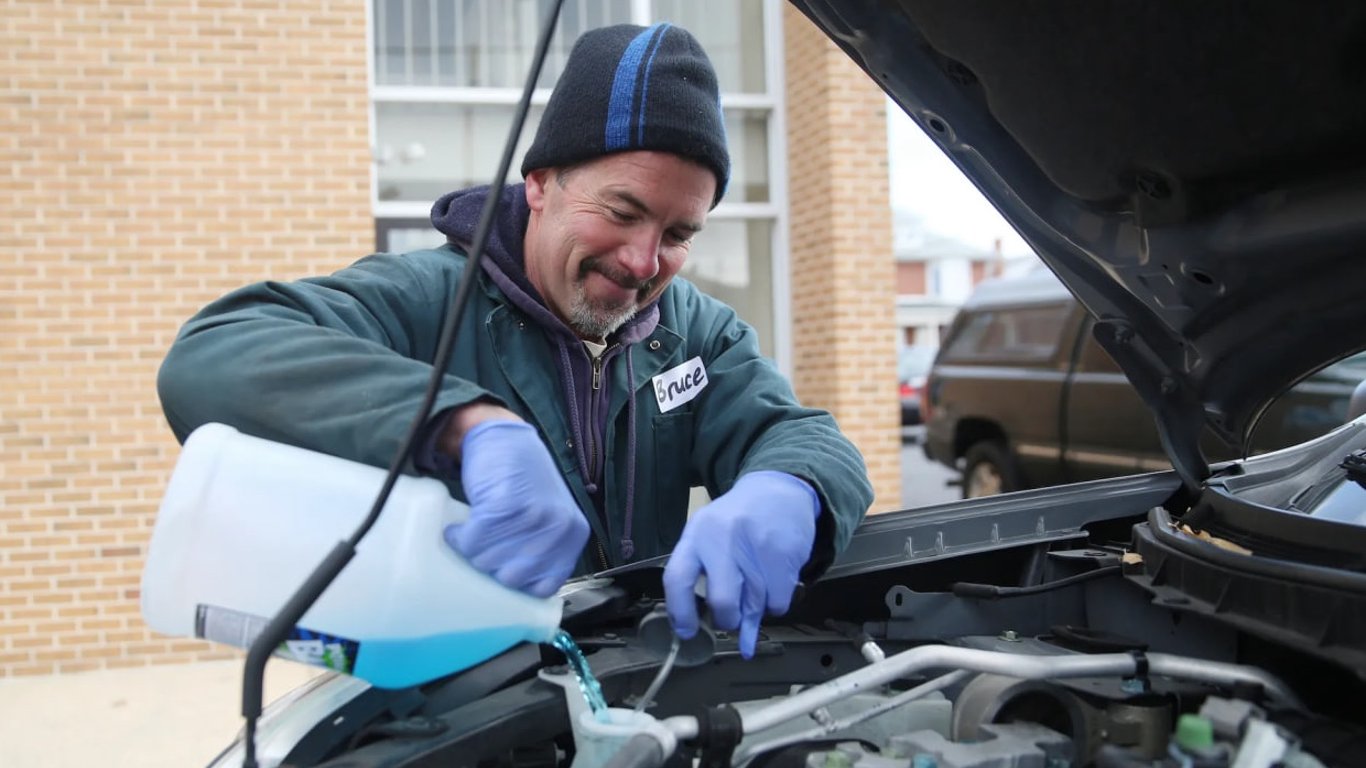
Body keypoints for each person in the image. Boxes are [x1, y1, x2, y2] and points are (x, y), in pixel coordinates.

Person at [157, 23, 873, 659]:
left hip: (628, 693)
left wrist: (793, 488)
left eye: (678, 234)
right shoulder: (428, 301)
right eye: (621, 211)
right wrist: (466, 425)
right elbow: (213, 354)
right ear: (539, 184)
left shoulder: (695, 334)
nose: (642, 261)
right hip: (456, 706)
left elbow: (805, 438)